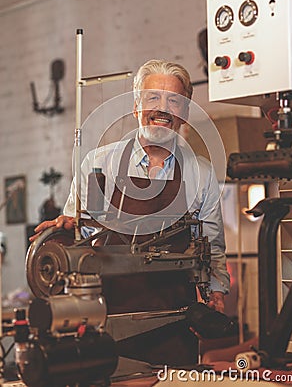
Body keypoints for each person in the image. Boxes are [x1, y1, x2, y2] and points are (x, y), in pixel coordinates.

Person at [32, 59, 230, 312]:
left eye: (173, 101)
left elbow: (211, 245)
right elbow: (79, 234)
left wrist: (215, 290)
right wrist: (65, 229)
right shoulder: (99, 164)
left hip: (176, 311)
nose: (162, 109)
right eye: (153, 98)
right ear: (136, 107)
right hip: (106, 307)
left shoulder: (201, 173)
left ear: (185, 113)